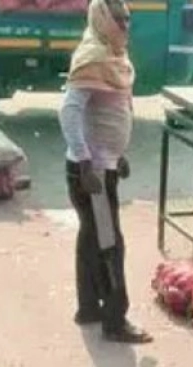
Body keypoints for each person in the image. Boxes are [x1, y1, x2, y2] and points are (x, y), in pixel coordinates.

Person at [60, 0, 152, 344]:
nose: (126, 27)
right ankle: (115, 319)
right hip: (93, 174)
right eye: (120, 20)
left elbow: (109, 112)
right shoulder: (94, 57)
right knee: (110, 243)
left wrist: (119, 153)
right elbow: (69, 112)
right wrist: (86, 163)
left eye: (129, 20)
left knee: (91, 238)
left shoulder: (111, 53)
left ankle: (88, 307)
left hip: (103, 164)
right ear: (103, 19)